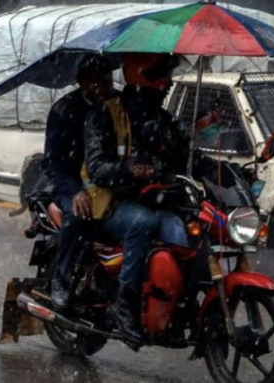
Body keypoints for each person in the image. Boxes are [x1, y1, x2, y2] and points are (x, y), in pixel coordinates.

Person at [84, 53, 197, 347]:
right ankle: (125, 306)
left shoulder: (163, 119)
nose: (169, 83)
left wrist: (227, 171)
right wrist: (129, 168)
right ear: (143, 76)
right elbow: (96, 168)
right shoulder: (105, 115)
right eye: (163, 75)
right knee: (143, 223)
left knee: (178, 230)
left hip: (154, 201)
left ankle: (173, 313)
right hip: (110, 202)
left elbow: (186, 156)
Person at [42, 54, 115, 312]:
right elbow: (52, 163)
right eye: (95, 84)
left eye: (106, 82)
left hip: (108, 184)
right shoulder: (64, 111)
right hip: (70, 185)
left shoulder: (115, 106)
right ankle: (60, 281)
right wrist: (75, 191)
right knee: (77, 215)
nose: (102, 89)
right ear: (82, 83)